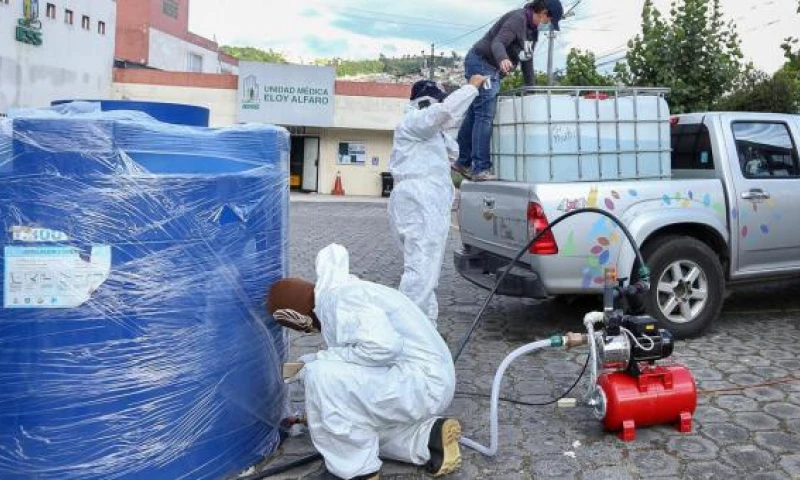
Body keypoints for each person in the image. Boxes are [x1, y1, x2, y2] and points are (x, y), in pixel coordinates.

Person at [267, 244, 462, 480]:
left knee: (322, 376)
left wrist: (319, 362)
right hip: (424, 379)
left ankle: (354, 472)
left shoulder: (340, 300)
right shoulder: (346, 293)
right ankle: (429, 438)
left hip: (420, 382)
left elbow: (383, 346)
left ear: (296, 317)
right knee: (359, 427)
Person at [388, 75, 486, 324]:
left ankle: (425, 329)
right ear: (426, 102)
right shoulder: (415, 121)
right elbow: (443, 113)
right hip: (421, 201)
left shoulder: (428, 134)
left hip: (424, 202)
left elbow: (449, 146)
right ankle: (409, 333)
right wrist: (471, 88)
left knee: (425, 270)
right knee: (421, 271)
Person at [453, 0, 564, 181]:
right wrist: (503, 58)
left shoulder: (532, 32)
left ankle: (462, 161)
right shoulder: (517, 19)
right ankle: (480, 168)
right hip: (481, 62)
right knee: (485, 114)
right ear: (543, 12)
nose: (546, 25)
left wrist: (531, 91)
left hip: (492, 66)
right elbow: (497, 43)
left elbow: (527, 61)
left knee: (475, 112)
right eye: (548, 21)